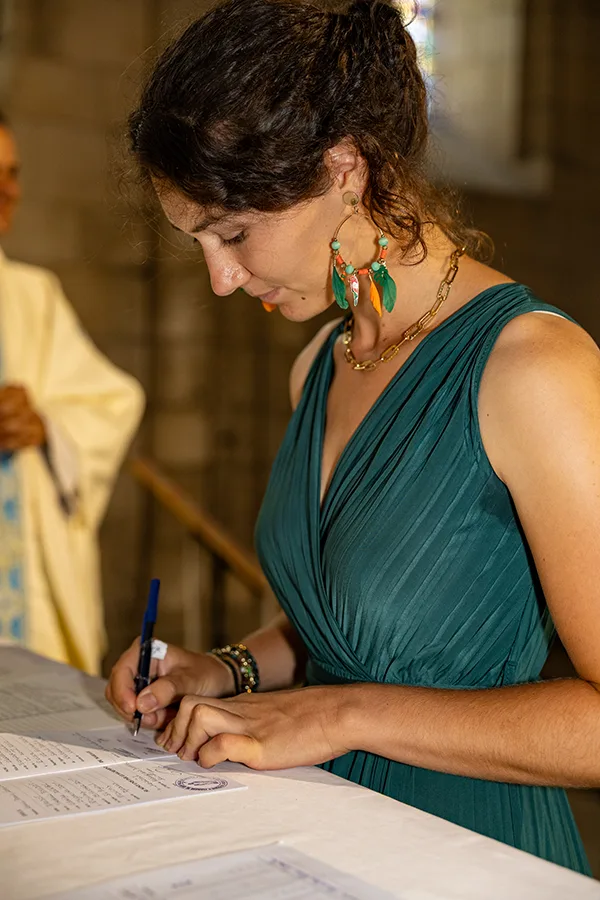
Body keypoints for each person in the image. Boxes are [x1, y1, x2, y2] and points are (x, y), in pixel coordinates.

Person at [107, 0, 600, 874]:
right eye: (201, 243)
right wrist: (222, 672)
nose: (222, 279)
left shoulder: (534, 370)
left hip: (471, 854)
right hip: (318, 833)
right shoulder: (319, 366)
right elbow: (351, 627)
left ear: (344, 168)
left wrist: (339, 714)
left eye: (233, 233)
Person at [0, 115, 144, 674]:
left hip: (21, 605)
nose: (8, 190)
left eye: (13, 174)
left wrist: (45, 426)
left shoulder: (33, 295)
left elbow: (111, 402)